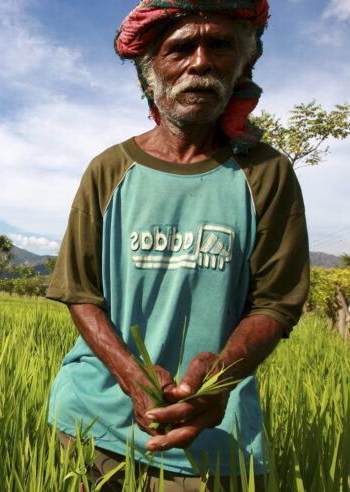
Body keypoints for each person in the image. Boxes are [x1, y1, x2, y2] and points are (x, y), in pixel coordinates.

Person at [46, 1, 309, 490]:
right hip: (90, 424)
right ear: (150, 76)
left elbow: (275, 303)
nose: (201, 61)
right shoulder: (108, 170)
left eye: (221, 46)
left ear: (242, 65)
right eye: (181, 48)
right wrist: (130, 376)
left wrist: (219, 379)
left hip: (212, 440)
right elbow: (80, 292)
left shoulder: (267, 174)